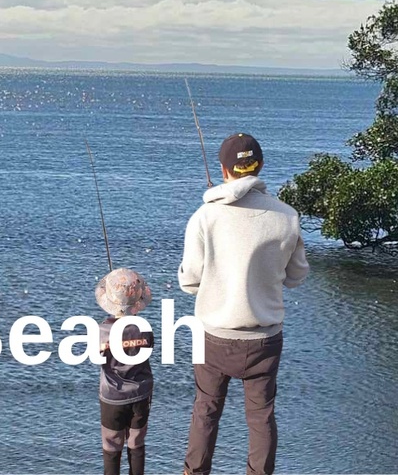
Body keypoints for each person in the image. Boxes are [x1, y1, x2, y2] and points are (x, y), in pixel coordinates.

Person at [178, 133, 310, 475]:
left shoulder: (204, 218)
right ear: (260, 166)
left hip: (213, 337)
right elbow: (296, 277)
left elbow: (190, 282)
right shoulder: (288, 217)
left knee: (205, 409)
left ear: (224, 171)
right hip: (265, 337)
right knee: (261, 415)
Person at [94, 268, 155, 475]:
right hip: (140, 394)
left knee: (111, 447)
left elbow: (96, 358)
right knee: (136, 443)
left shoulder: (102, 331)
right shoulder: (144, 328)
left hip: (112, 397)